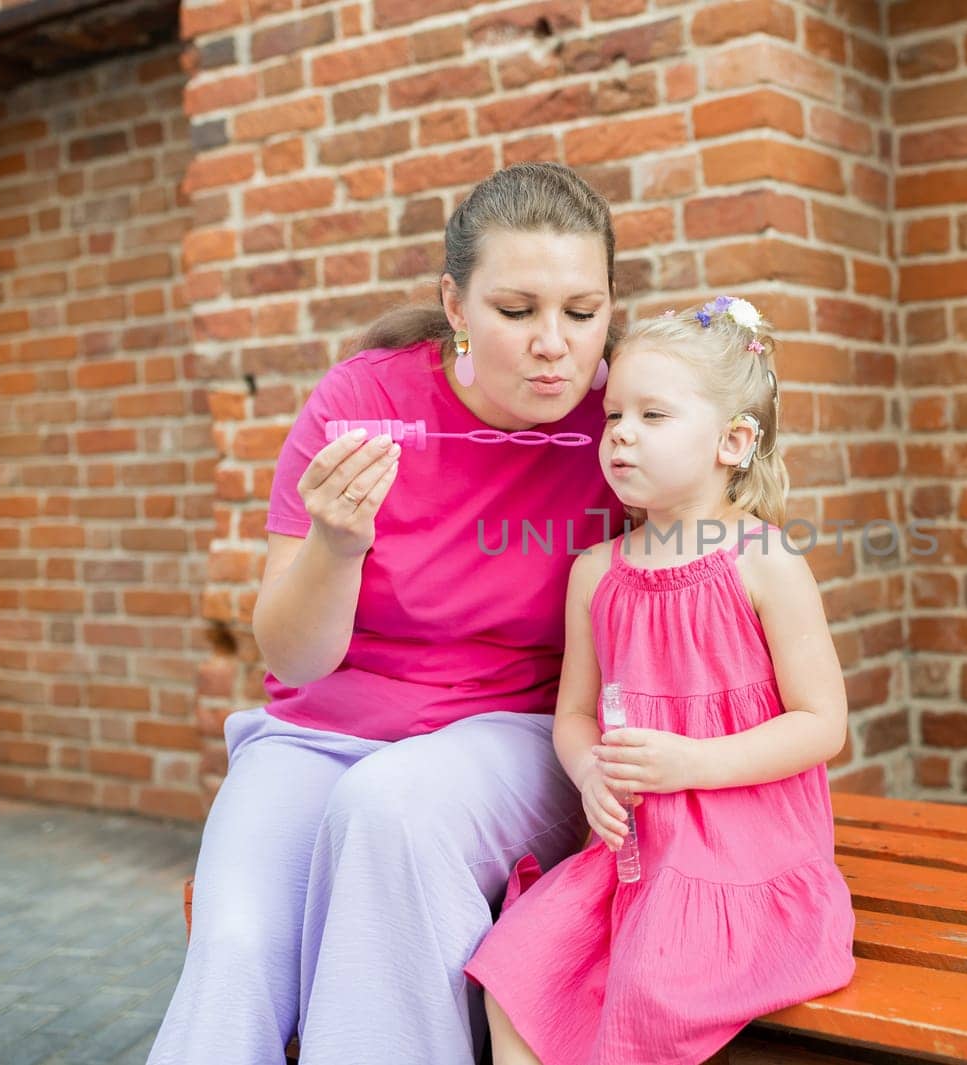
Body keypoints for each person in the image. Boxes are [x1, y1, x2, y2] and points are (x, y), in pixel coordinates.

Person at [147, 162, 626, 1065]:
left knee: (393, 803)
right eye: (516, 311)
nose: (553, 344)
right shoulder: (364, 403)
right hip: (320, 735)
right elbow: (293, 655)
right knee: (234, 951)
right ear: (455, 303)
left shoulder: (622, 424)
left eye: (582, 311)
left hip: (515, 734)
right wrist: (334, 543)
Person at [464, 297, 857, 1065]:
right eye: (614, 417)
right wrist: (588, 772)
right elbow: (574, 713)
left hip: (746, 855)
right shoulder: (597, 572)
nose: (622, 435)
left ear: (733, 441)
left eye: (653, 415)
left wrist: (694, 764)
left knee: (652, 990)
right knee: (514, 969)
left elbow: (822, 722)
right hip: (633, 853)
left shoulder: (762, 560)